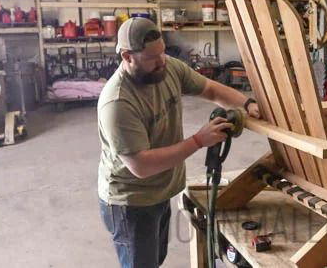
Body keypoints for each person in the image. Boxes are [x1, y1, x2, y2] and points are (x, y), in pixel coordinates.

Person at [97, 17, 259, 268]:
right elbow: (141, 166)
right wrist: (198, 141)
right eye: (152, 58)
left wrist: (247, 104)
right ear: (128, 56)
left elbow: (212, 90)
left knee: (155, 260)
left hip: (161, 190)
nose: (162, 61)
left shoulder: (167, 67)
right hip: (131, 202)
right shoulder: (117, 103)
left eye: (162, 52)